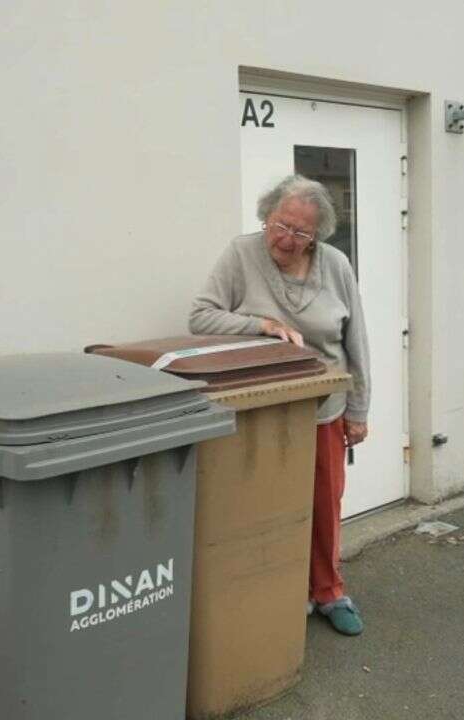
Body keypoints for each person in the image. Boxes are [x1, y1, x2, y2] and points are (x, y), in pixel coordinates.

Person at [188, 174, 370, 636]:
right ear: (266, 216)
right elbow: (200, 316)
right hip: (262, 411)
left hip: (323, 407)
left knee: (324, 504)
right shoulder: (241, 253)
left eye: (301, 233)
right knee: (264, 505)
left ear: (317, 236)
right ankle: (277, 590)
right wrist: (261, 325)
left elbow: (356, 341)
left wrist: (358, 410)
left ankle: (329, 591)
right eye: (279, 225)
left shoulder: (337, 266)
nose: (286, 240)